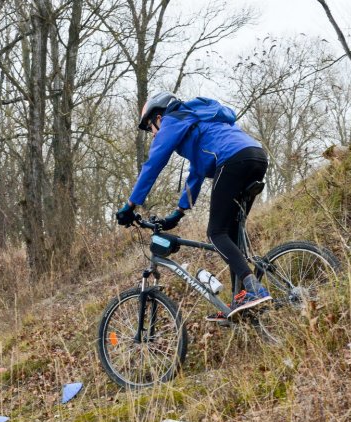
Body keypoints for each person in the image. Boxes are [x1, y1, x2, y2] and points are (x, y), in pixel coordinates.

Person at [115, 91, 272, 320]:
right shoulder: (198, 123)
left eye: (150, 128)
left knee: (216, 233)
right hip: (256, 156)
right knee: (229, 234)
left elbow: (153, 164)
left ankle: (254, 288)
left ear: (158, 118)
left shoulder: (172, 120)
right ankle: (241, 298)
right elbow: (196, 173)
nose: (152, 134)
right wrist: (178, 213)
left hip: (232, 160)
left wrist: (131, 204)